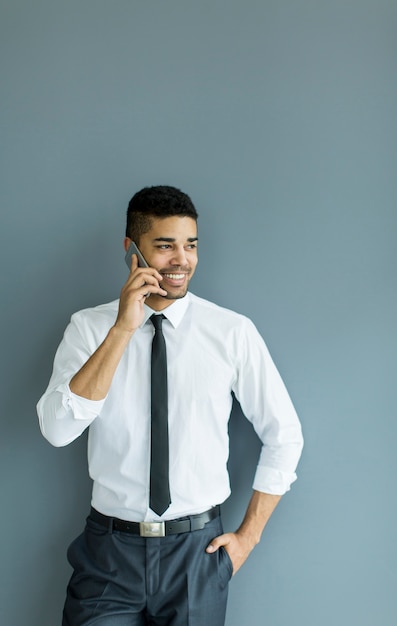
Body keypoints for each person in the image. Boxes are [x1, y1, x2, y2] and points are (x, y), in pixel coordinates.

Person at [37, 185, 303, 626]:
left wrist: (248, 538)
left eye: (190, 245)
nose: (182, 260)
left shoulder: (230, 331)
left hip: (196, 554)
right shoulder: (88, 328)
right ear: (131, 250)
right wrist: (123, 328)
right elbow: (57, 429)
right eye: (164, 246)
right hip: (109, 554)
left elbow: (285, 436)